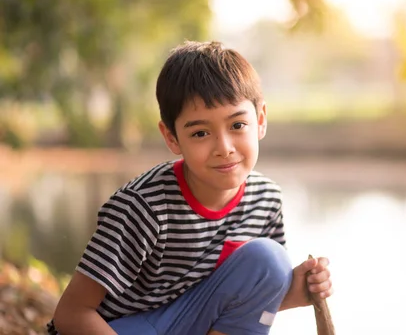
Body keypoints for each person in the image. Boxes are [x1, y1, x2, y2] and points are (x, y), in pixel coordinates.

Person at [48, 41, 333, 335]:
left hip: (185, 324)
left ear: (260, 120)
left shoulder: (266, 199)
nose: (224, 148)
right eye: (200, 133)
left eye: (237, 126)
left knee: (271, 260)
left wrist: (298, 288)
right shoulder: (143, 207)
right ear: (171, 138)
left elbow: (247, 302)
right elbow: (71, 314)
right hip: (121, 329)